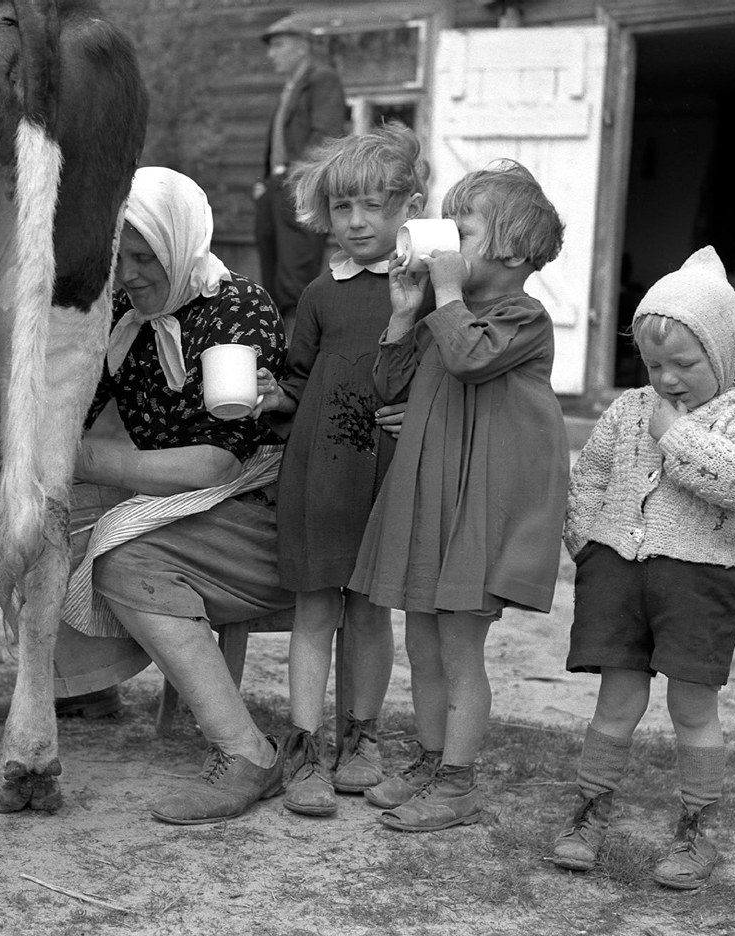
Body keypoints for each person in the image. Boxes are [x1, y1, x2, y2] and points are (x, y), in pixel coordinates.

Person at [0, 167, 296, 824]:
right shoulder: (122, 311)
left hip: (257, 508)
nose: (127, 273)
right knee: (16, 516)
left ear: (181, 243)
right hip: (180, 492)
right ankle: (75, 685)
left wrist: (87, 457)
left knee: (124, 559)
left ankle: (248, 753)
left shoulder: (236, 309)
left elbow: (213, 461)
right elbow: (63, 420)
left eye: (145, 256)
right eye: (116, 257)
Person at [549, 246, 735, 889]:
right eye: (655, 365)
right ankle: (589, 810)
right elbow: (592, 476)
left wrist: (675, 434)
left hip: (700, 580)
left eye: (684, 364)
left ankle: (696, 828)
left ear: (721, 353)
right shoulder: (627, 408)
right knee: (616, 698)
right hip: (619, 573)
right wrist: (589, 544)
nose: (667, 379)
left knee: (692, 704)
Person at [349, 160, 571, 832]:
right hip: (430, 501)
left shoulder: (522, 317)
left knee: (459, 650)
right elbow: (390, 382)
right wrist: (401, 314)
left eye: (462, 231)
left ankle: (459, 783)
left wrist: (444, 294)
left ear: (508, 248)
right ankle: (430, 758)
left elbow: (471, 357)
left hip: (475, 512)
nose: (448, 243)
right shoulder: (447, 314)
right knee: (422, 643)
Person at [254, 122, 427, 817]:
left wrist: (419, 416)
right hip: (319, 474)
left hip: (388, 475)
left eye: (372, 207)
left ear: (408, 209)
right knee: (315, 608)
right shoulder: (321, 294)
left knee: (370, 611)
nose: (355, 222)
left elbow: (444, 380)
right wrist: (273, 395)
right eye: (342, 209)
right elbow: (298, 381)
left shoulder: (429, 292)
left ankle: (362, 739)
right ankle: (302, 746)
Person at [253, 16, 347, 337]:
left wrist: (293, 178)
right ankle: (275, 350)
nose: (272, 54)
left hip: (299, 188)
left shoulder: (322, 81)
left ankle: (299, 358)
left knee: (295, 280)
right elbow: (279, 141)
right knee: (272, 279)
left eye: (279, 45)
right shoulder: (289, 88)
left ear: (303, 46)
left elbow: (326, 136)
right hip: (275, 188)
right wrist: (264, 181)